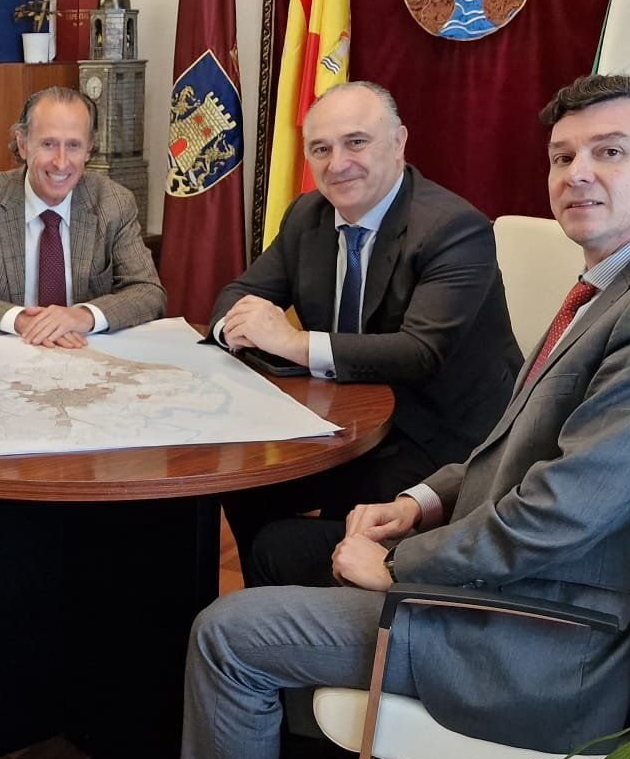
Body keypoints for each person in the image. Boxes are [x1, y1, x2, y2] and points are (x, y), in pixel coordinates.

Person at [121, 74, 630, 759]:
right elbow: (520, 447)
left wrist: (401, 568)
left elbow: (556, 516)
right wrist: (418, 502)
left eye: (609, 153)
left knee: (228, 633)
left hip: (551, 635)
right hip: (536, 578)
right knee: (282, 543)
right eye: (563, 156)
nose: (578, 174)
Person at [211, 82, 520, 584]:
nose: (337, 163)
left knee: (294, 538)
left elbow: (421, 352)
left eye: (356, 142)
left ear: (398, 143)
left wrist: (290, 342)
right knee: (246, 484)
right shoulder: (307, 216)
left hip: (438, 438)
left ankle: (328, 622)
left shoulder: (454, 228)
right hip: (347, 423)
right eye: (321, 148)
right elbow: (239, 293)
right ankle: (267, 619)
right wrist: (237, 328)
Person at [0, 85, 165, 345]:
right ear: (23, 144)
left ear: (89, 150)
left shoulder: (114, 203)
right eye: (49, 144)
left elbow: (148, 292)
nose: (61, 162)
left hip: (86, 357)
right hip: (7, 359)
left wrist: (83, 316)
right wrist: (22, 321)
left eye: (74, 146)